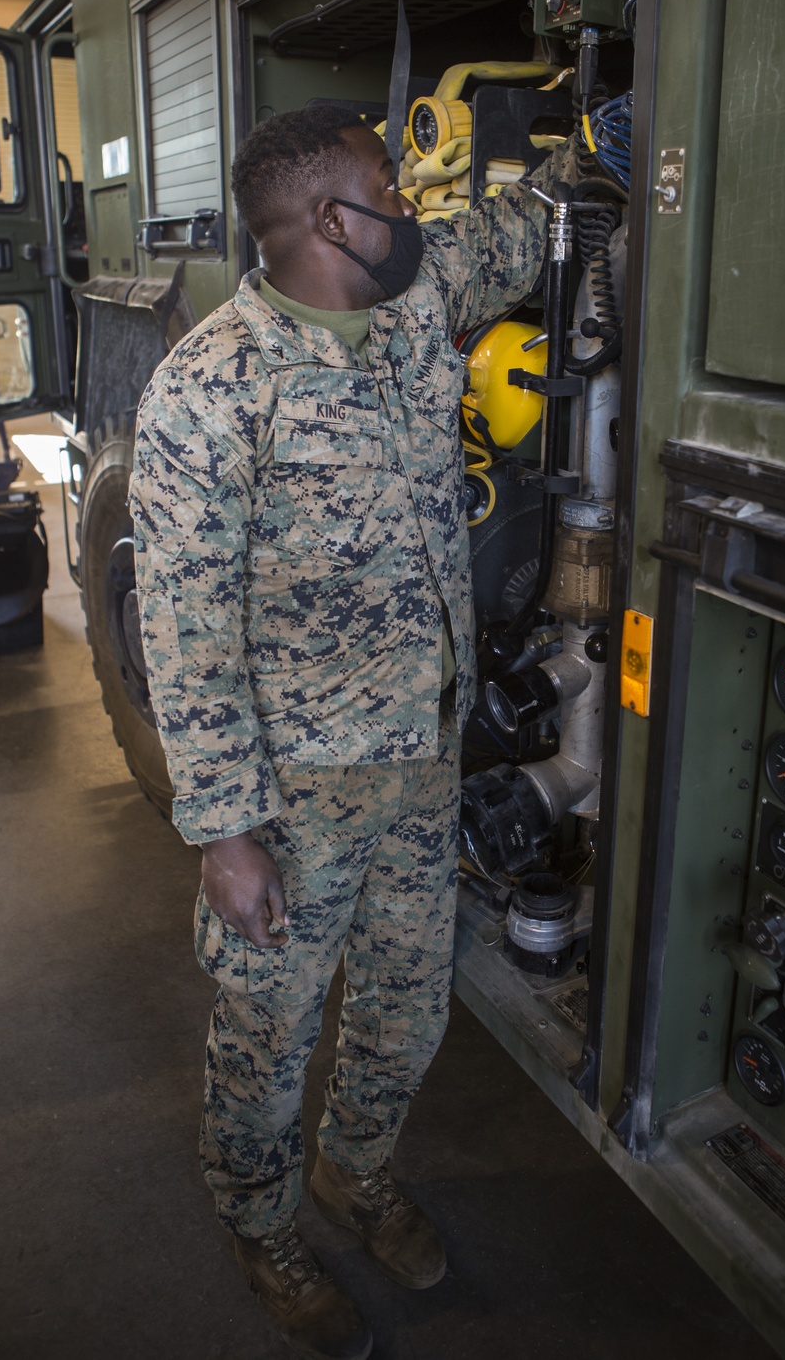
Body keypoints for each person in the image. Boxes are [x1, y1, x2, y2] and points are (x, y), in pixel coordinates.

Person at [128, 103, 576, 1360]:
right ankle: (259, 1225)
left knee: (404, 1010)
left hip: (420, 762)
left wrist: (593, 144)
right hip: (290, 794)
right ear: (334, 220)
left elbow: (511, 234)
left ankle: (355, 1174)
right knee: (269, 1037)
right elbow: (186, 630)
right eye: (394, 190)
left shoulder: (413, 314)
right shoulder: (210, 390)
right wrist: (223, 832)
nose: (414, 214)